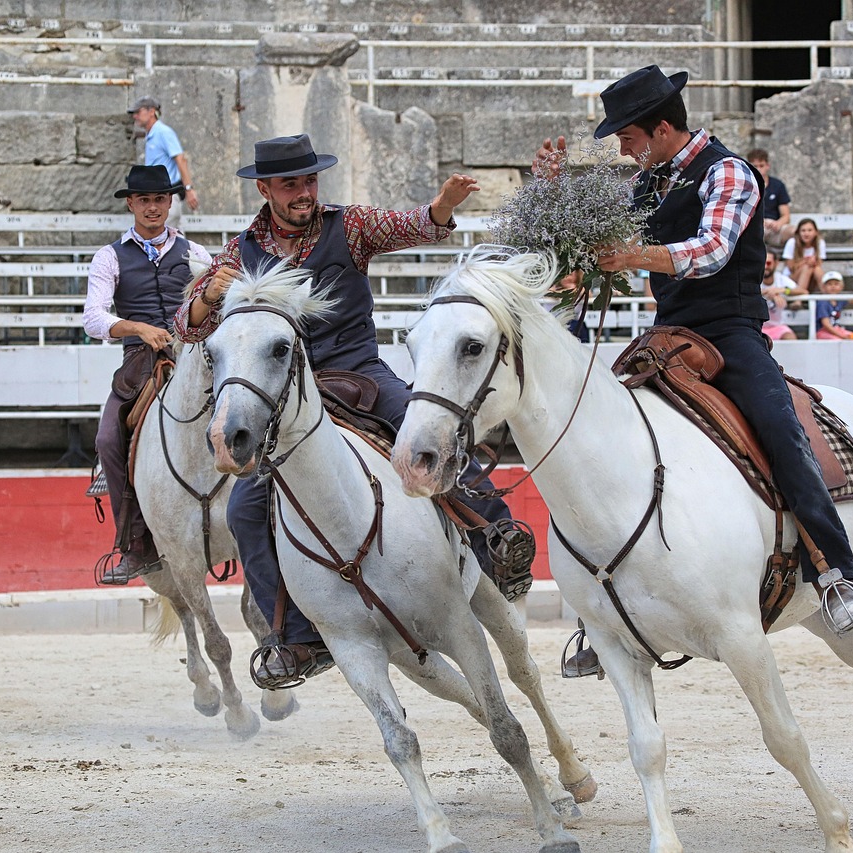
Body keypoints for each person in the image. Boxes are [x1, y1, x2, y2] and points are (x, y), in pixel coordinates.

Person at [537, 65, 853, 674]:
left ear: (662, 129)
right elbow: (597, 237)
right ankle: (604, 610)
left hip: (730, 332)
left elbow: (713, 251)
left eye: (628, 137)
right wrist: (556, 192)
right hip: (668, 335)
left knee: (779, 426)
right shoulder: (651, 180)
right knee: (599, 429)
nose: (623, 149)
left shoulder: (728, 171)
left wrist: (636, 254)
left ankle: (836, 572)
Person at [176, 134, 529, 685]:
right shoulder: (238, 253)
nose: (304, 192)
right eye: (290, 184)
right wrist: (206, 296)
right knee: (244, 509)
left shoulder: (350, 226)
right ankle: (295, 637)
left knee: (423, 427)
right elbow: (188, 327)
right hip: (286, 401)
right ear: (265, 190)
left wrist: (442, 207)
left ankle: (497, 538)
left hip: (359, 375)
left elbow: (411, 226)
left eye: (309, 181)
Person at [85, 164, 213, 585]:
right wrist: (138, 328)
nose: (153, 207)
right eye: (144, 200)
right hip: (140, 359)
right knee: (107, 438)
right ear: (131, 204)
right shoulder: (109, 256)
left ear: (170, 202)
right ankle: (136, 544)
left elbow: (217, 304)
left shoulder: (197, 254)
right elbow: (94, 318)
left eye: (159, 199)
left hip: (194, 352)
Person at [129, 96, 199, 229]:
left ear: (151, 112)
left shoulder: (163, 132)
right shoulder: (152, 134)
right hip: (159, 197)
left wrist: (189, 189)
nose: (135, 116)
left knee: (158, 235)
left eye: (138, 112)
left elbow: (180, 159)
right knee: (172, 238)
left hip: (165, 196)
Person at [746, 148, 793, 248]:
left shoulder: (778, 185)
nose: (758, 169)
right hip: (753, 228)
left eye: (761, 165)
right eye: (755, 166)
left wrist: (778, 223)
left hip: (774, 228)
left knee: (796, 232)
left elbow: (786, 216)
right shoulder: (745, 186)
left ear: (767, 166)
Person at [761, 249, 801, 342]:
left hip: (778, 326)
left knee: (791, 339)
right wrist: (767, 293)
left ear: (776, 263)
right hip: (757, 327)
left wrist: (784, 290)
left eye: (769, 263)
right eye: (763, 263)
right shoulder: (753, 279)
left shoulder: (781, 279)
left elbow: (803, 291)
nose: (765, 266)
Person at [781, 217, 826, 294]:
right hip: (792, 277)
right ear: (798, 232)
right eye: (803, 230)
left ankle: (828, 296)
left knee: (817, 269)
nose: (806, 234)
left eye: (809, 230)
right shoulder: (792, 243)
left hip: (812, 277)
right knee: (807, 267)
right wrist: (805, 262)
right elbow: (791, 267)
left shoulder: (820, 243)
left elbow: (819, 264)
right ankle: (799, 297)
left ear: (815, 232)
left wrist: (813, 262)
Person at [814, 271, 853, 341]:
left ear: (841, 287)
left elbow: (851, 300)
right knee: (838, 341)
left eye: (836, 284)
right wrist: (842, 336)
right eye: (829, 284)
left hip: (836, 329)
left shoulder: (839, 300)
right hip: (823, 331)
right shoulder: (822, 303)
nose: (833, 286)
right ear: (824, 287)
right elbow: (826, 324)